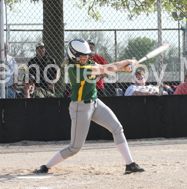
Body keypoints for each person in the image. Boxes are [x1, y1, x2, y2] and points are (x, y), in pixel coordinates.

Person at [35, 39, 144, 175]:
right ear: (74, 55)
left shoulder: (86, 63)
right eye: (83, 55)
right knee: (74, 148)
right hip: (80, 108)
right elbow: (107, 68)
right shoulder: (77, 69)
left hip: (95, 102)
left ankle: (130, 164)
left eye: (87, 54)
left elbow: (107, 68)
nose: (86, 57)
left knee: (117, 128)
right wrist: (128, 60)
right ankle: (46, 166)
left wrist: (127, 67)